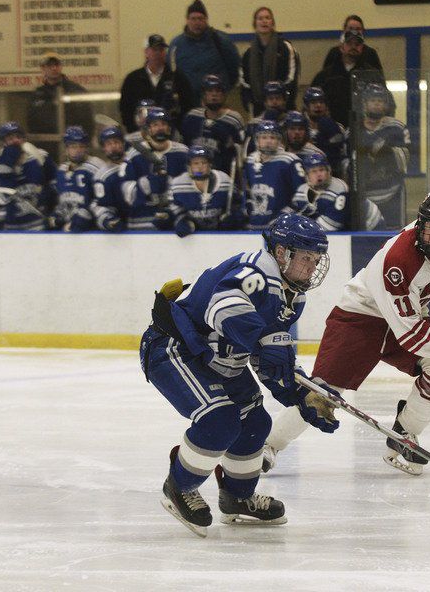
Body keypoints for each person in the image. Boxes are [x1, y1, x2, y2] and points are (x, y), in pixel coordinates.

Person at [262, 193, 430, 476]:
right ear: (419, 227)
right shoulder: (398, 260)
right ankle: (268, 446)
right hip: (361, 317)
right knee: (323, 394)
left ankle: (403, 434)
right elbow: (412, 336)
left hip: (407, 316)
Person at [139, 213, 340, 536]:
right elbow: (223, 305)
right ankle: (179, 487)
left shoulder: (293, 296)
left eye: (316, 260)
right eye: (306, 258)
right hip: (176, 349)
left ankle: (237, 498)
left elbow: (269, 356)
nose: (312, 267)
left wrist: (300, 392)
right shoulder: (256, 270)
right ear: (280, 253)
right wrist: (262, 342)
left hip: (220, 358)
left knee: (256, 422)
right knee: (220, 420)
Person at [351, 82, 410, 229]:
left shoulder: (397, 127)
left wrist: (388, 152)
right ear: (364, 103)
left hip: (392, 194)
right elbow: (348, 163)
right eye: (373, 101)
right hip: (365, 197)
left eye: (380, 101)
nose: (377, 104)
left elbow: (407, 159)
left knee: (394, 233)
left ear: (386, 105)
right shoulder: (354, 129)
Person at [121, 107, 188, 229]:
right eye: (155, 125)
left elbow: (190, 188)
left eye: (164, 124)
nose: (160, 128)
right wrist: (145, 185)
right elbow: (126, 192)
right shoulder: (134, 154)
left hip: (173, 222)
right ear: (148, 129)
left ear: (169, 128)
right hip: (141, 222)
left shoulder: (183, 153)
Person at [0, 121, 57, 231]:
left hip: (40, 227)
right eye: (10, 138)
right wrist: (6, 166)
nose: (16, 141)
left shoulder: (40, 157)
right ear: (3, 142)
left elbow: (55, 187)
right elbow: (0, 199)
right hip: (9, 229)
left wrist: (53, 214)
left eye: (19, 137)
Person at [169, 0, 240, 106]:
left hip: (217, 102)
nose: (197, 22)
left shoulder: (221, 41)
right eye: (193, 19)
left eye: (200, 18)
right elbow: (171, 72)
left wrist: (223, 90)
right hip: (187, 103)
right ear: (187, 20)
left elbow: (234, 68)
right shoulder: (176, 45)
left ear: (206, 20)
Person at [26, 51, 93, 162]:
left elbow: (88, 122)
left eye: (56, 65)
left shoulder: (76, 91)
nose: (54, 68)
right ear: (42, 68)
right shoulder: (37, 95)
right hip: (46, 151)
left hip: (74, 149)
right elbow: (31, 125)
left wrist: (84, 145)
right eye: (49, 65)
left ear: (61, 66)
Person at [119, 35, 194, 133]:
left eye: (161, 50)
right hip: (140, 134)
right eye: (154, 49)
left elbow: (188, 106)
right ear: (146, 52)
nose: (158, 53)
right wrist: (133, 129)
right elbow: (125, 109)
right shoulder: (132, 79)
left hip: (171, 134)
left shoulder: (177, 78)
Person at [291, 152, 383, 231]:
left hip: (372, 223)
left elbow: (331, 226)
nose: (319, 174)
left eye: (322, 170)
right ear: (307, 175)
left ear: (328, 171)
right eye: (314, 171)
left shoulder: (340, 189)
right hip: (351, 225)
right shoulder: (302, 190)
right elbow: (294, 212)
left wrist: (302, 229)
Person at [311, 29, 383, 128]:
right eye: (349, 43)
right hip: (333, 131)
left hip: (365, 131)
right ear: (341, 47)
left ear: (362, 47)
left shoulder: (372, 75)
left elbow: (386, 103)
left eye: (357, 44)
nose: (353, 47)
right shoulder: (325, 76)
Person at [243, 120, 306, 230]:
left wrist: (284, 216)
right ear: (257, 140)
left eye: (272, 138)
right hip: (254, 224)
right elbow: (247, 190)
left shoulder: (290, 161)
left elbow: (303, 193)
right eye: (264, 137)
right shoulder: (250, 160)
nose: (268, 141)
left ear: (279, 141)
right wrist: (247, 211)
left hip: (282, 226)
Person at [180, 74, 245, 177]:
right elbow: (182, 145)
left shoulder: (234, 120)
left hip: (222, 174)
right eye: (210, 91)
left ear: (224, 95)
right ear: (203, 95)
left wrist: (230, 143)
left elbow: (243, 152)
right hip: (193, 172)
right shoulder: (192, 117)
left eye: (218, 91)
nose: (214, 95)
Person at [239, 7, 300, 116]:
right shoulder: (248, 52)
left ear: (272, 23)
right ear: (255, 24)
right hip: (258, 108)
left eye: (267, 18)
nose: (264, 21)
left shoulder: (286, 48)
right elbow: (244, 81)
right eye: (260, 18)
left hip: (283, 108)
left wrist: (277, 99)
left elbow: (292, 79)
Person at [164, 145, 234, 236]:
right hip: (192, 237)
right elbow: (174, 209)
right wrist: (182, 221)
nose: (200, 167)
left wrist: (233, 216)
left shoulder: (224, 180)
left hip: (219, 235)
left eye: (204, 163)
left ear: (210, 165)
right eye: (196, 163)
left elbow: (235, 204)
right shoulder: (177, 184)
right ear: (189, 166)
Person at [51, 126, 105, 232]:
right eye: (73, 146)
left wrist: (87, 215)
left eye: (81, 146)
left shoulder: (96, 166)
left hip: (92, 229)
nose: (78, 150)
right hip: (68, 228)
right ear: (66, 148)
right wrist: (57, 216)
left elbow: (103, 199)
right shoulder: (62, 170)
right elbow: (62, 201)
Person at [302, 86, 348, 179]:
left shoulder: (337, 128)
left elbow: (341, 155)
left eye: (321, 102)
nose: (318, 105)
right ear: (307, 106)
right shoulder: (300, 129)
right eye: (313, 102)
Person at [92, 126, 128, 232]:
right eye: (108, 144)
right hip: (122, 228)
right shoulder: (101, 176)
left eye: (116, 142)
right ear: (104, 148)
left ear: (123, 144)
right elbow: (103, 205)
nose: (113, 147)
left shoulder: (136, 164)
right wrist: (108, 219)